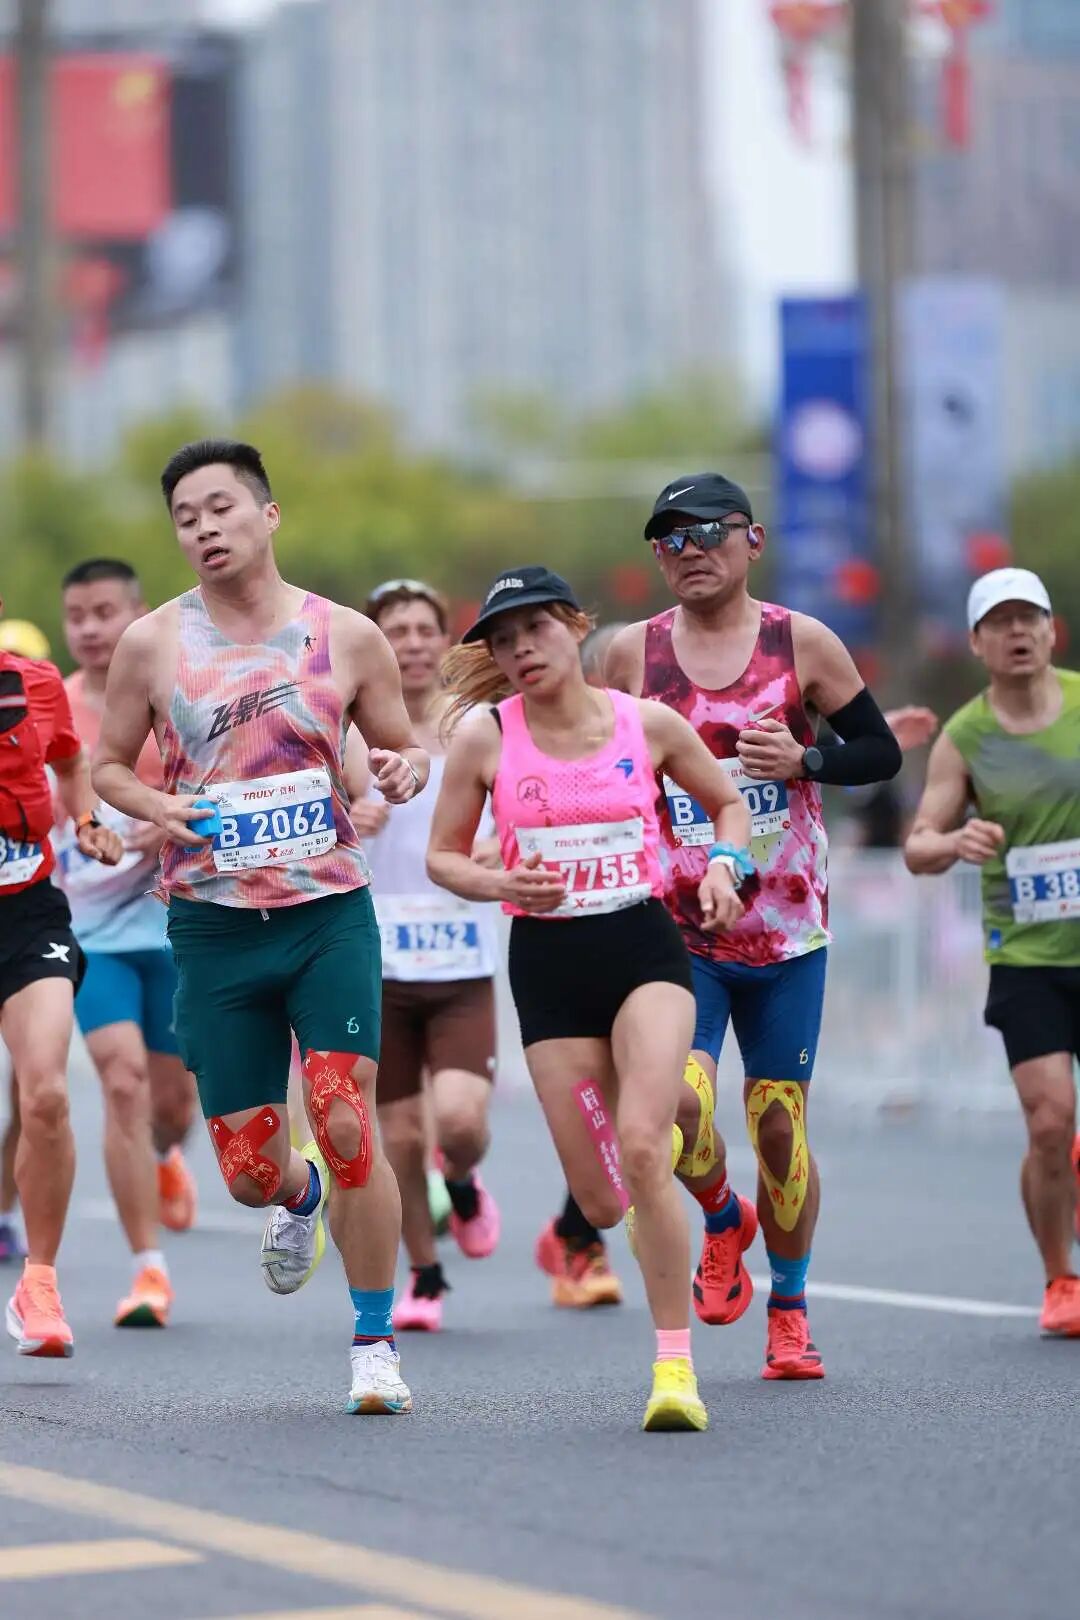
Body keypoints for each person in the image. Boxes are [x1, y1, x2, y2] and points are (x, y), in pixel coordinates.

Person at [91, 439, 429, 1413]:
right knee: (247, 1174)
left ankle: (375, 1344)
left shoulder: (346, 635)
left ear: (267, 515)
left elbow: (400, 749)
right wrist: (155, 807)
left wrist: (401, 769)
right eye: (185, 517)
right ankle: (299, 1197)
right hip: (214, 928)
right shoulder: (152, 643)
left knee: (345, 1115)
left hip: (327, 915)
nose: (204, 528)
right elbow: (107, 767)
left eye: (221, 508)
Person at [427, 565, 750, 1432]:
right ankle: (693, 1157)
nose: (522, 649)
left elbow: (727, 805)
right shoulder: (487, 739)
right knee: (605, 1202)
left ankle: (674, 1370)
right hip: (549, 965)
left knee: (643, 1145)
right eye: (504, 641)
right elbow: (443, 857)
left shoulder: (647, 724)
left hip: (642, 946)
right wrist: (499, 880)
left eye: (536, 628)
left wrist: (725, 867)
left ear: (574, 626)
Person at [603, 472, 902, 1381]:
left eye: (709, 532)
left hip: (785, 937)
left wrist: (808, 758)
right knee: (679, 1104)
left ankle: (791, 1308)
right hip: (676, 937)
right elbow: (588, 757)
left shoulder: (799, 642)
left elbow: (881, 752)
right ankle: (722, 1218)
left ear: (753, 540)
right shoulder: (632, 655)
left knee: (777, 1127)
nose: (690, 551)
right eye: (670, 539)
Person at [904, 567, 1080, 1335]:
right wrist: (955, 841)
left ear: (1051, 630)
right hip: (1027, 958)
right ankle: (1061, 1278)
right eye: (1000, 622)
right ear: (977, 643)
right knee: (1049, 1122)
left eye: (1029, 618)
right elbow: (917, 846)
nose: (1017, 633)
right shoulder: (965, 736)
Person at [55, 558, 199, 1329]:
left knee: (173, 1104)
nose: (89, 628)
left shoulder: (172, 695)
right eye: (76, 615)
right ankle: (149, 1270)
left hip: (176, 927)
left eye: (104, 612)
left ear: (137, 614)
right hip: (90, 935)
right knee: (121, 1085)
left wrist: (163, 821)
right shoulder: (48, 706)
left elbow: (219, 789)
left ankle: (169, 1155)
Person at [354, 578, 501, 1332]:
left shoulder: (479, 726)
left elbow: (521, 812)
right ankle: (424, 1271)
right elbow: (311, 831)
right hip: (376, 963)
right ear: (375, 645)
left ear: (445, 641)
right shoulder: (350, 733)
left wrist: (498, 847)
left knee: (461, 1123)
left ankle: (465, 1181)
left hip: (459, 958)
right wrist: (350, 816)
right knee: (403, 1136)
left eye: (423, 629)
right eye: (395, 631)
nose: (410, 643)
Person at [1, 595, 123, 1356]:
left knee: (44, 1093)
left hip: (27, 914)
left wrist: (85, 820)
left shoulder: (36, 684)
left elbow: (71, 759)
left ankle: (38, 1284)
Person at [534, 620, 629, 1308]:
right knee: (604, 1101)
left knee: (648, 1100)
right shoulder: (553, 744)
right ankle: (578, 1234)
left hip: (663, 934)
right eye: (627, 676)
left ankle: (577, 1229)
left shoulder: (662, 732)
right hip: (573, 943)